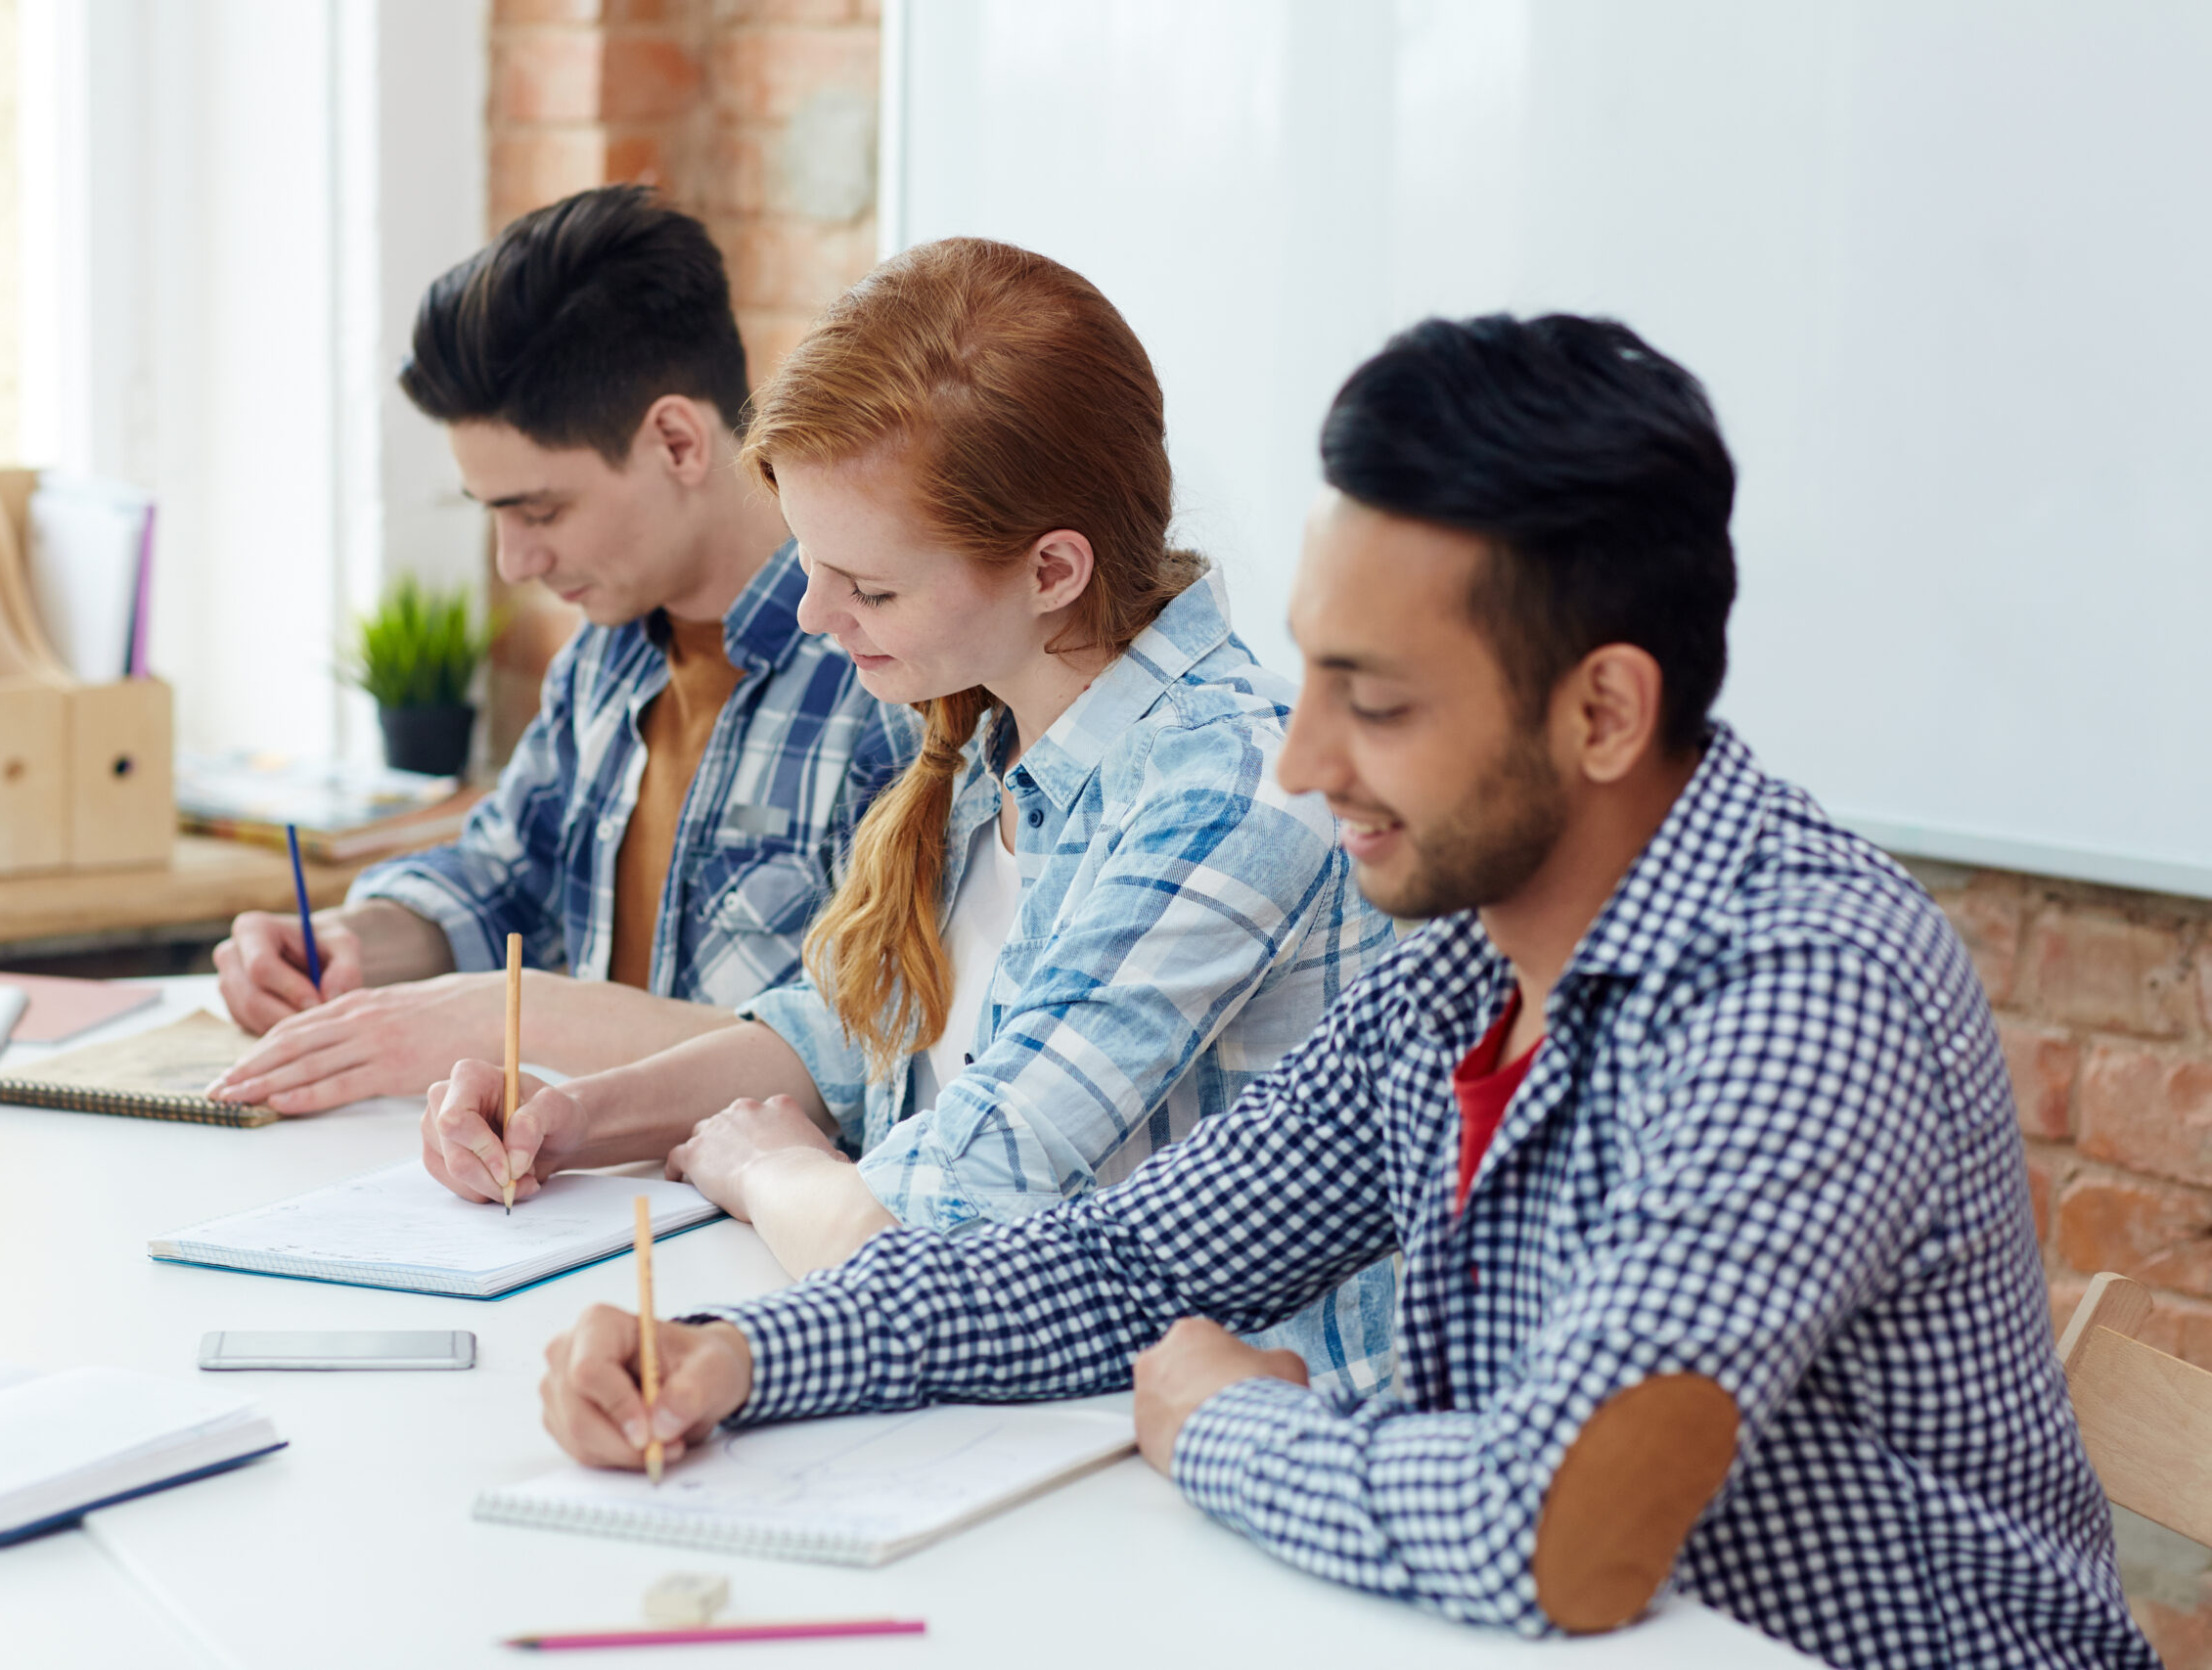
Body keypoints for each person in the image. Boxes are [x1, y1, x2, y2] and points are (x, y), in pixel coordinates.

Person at [525, 315, 2154, 1669]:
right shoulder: (1466, 958)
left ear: (1601, 711)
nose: (1302, 761)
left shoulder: (1806, 995)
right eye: (1310, 677)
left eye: (1374, 704)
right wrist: (741, 1353)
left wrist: (1224, 1413)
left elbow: (1557, 1528)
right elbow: (1119, 1264)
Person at [421, 238, 1392, 1387]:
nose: (820, 616)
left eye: (870, 587)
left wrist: (769, 1169)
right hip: (991, 1420)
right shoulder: (991, 720)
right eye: (814, 564)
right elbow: (843, 1032)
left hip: (1189, 1449)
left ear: (1052, 571)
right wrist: (576, 1119)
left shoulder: (1227, 791)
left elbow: (958, 1209)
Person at [206, 187, 906, 1114]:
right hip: (568, 1192)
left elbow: (874, 1055)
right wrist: (351, 940)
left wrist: (518, 1012)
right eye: (496, 515)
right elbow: (507, 875)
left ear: (676, 440)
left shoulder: (890, 681)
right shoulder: (606, 657)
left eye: (541, 510)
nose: (517, 560)